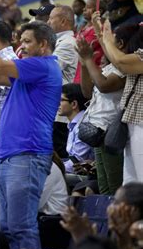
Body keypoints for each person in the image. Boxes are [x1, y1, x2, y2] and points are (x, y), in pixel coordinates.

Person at [0, 11, 62, 249]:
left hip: (28, 153)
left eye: (27, 41)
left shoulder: (42, 65)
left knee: (22, 226)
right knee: (8, 226)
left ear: (43, 45)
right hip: (13, 154)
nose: (21, 46)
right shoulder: (28, 71)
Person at [76, 20, 132, 194]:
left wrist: (88, 59)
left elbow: (103, 85)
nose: (105, 43)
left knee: (115, 186)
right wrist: (85, 63)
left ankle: (120, 220)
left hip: (112, 132)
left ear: (120, 44)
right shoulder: (108, 67)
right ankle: (107, 221)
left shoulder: (125, 68)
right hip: (98, 133)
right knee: (104, 186)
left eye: (109, 39)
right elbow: (86, 91)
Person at [101, 20, 143, 182]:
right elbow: (116, 59)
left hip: (141, 123)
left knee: (139, 181)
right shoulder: (136, 56)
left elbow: (120, 62)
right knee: (130, 182)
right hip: (133, 121)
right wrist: (102, 36)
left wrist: (106, 39)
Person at [58, 83, 94, 173]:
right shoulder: (74, 124)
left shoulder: (83, 125)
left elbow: (76, 163)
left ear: (74, 104)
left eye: (61, 100)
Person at [48, 5, 78, 85]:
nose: (48, 22)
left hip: (60, 94)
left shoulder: (68, 43)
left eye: (51, 18)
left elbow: (48, 68)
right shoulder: (59, 40)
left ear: (63, 21)